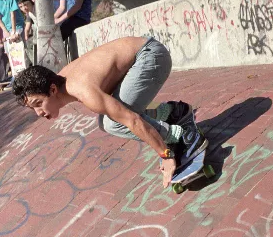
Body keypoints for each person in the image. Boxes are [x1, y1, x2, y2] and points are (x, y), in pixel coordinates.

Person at [12, 37, 207, 188]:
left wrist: (165, 154)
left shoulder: (81, 89)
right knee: (112, 115)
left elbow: (132, 121)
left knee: (113, 122)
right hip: (144, 53)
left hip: (151, 56)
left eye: (38, 103)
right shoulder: (62, 80)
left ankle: (183, 137)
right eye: (33, 108)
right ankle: (173, 112)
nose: (38, 112)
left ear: (52, 90)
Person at [18, 0, 37, 66]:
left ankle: (36, 64)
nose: (24, 8)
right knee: (27, 44)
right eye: (21, 7)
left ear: (31, 2)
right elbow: (27, 28)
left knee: (29, 44)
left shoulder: (36, 9)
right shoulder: (29, 13)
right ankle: (35, 63)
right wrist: (26, 38)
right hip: (39, 34)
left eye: (26, 4)